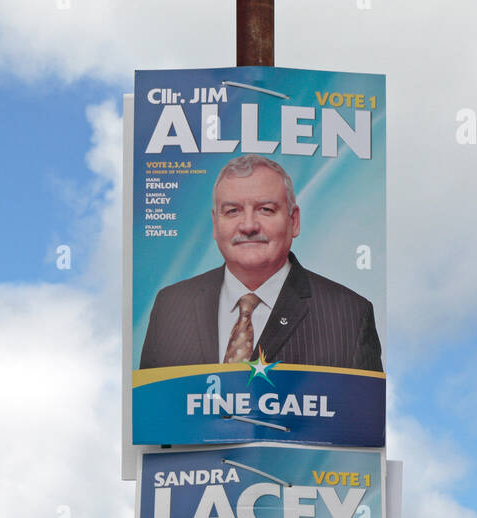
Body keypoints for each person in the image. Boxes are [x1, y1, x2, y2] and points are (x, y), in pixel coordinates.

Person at [139, 154, 382, 373]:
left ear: (294, 221)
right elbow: (149, 413)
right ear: (215, 224)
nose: (248, 226)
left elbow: (360, 420)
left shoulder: (349, 317)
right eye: (232, 211)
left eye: (265, 209)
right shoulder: (170, 305)